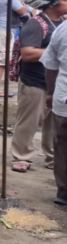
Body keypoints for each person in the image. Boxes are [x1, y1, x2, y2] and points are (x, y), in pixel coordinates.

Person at [11, 0, 67, 174]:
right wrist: (56, 52)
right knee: (29, 121)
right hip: (35, 82)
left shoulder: (63, 24)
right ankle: (21, 155)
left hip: (57, 83)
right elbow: (27, 53)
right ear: (52, 3)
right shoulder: (36, 24)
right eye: (65, 0)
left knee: (55, 125)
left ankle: (53, 157)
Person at [42, 21, 67, 205]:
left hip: (64, 98)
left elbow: (51, 65)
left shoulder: (63, 28)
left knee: (63, 147)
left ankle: (64, 191)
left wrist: (50, 92)